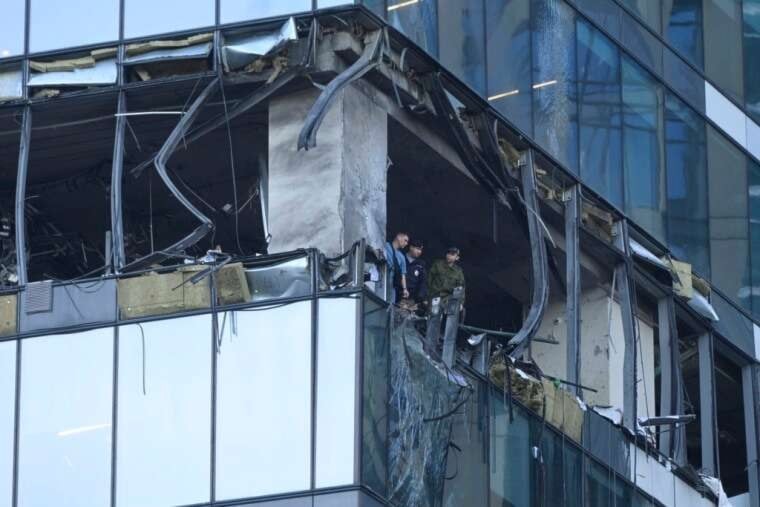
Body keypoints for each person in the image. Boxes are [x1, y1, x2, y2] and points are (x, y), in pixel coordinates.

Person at [383, 232, 409, 303]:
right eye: (405, 240)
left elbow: (403, 274)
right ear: (398, 237)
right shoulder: (385, 245)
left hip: (392, 285)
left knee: (391, 306)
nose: (406, 243)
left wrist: (405, 289)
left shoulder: (402, 257)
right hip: (381, 281)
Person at [405, 238, 427, 308]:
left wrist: (420, 298)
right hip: (398, 293)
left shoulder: (421, 264)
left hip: (412, 299)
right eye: (417, 249)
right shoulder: (401, 258)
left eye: (420, 250)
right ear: (411, 247)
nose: (419, 252)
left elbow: (423, 282)